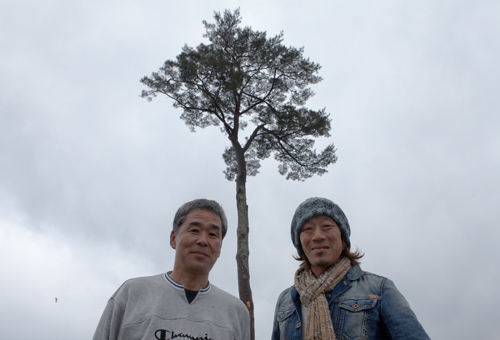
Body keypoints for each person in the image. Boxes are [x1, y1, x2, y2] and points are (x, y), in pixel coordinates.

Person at [272, 197, 430, 340]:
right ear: (299, 242)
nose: (318, 236)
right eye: (307, 229)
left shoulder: (379, 290)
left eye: (326, 226)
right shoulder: (286, 301)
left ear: (343, 237)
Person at [93, 199, 250, 340]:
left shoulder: (236, 312)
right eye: (194, 230)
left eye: (212, 234)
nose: (203, 240)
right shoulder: (131, 295)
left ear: (220, 248)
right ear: (174, 239)